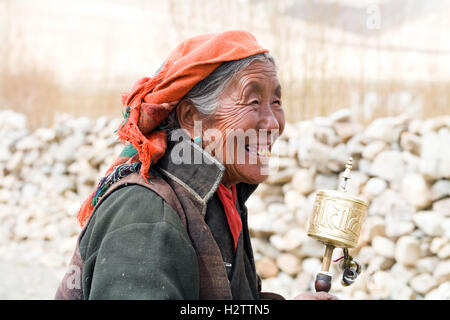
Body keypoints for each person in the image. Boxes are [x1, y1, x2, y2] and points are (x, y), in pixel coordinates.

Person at [55, 30, 338, 300]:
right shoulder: (148, 214)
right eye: (253, 101)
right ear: (191, 118)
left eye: (276, 101)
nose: (273, 123)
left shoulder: (220, 198)